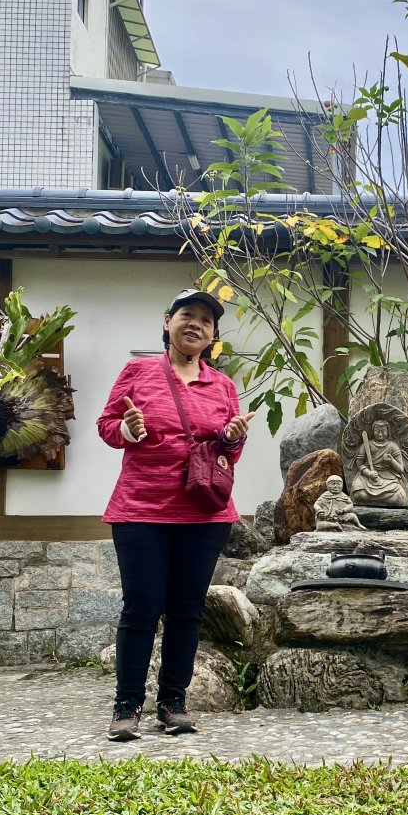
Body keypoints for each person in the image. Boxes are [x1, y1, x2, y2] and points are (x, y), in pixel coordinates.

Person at [97, 288, 256, 742]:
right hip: (140, 508)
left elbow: (230, 453)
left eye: (206, 321)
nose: (196, 325)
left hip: (205, 514)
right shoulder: (138, 371)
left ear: (213, 336)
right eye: (188, 315)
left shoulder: (222, 385)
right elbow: (107, 426)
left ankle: (173, 702)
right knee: (142, 607)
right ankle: (126, 706)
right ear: (168, 321)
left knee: (187, 611)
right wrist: (126, 429)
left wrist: (230, 437)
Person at [350, 419, 408, 506]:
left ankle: (374, 500)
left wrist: (391, 461)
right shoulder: (367, 445)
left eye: (383, 431)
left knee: (401, 498)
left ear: (388, 431)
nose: (380, 434)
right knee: (358, 494)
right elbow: (359, 464)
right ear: (373, 431)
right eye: (377, 431)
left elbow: (400, 470)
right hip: (367, 477)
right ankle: (382, 500)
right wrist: (369, 473)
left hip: (388, 478)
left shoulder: (393, 446)